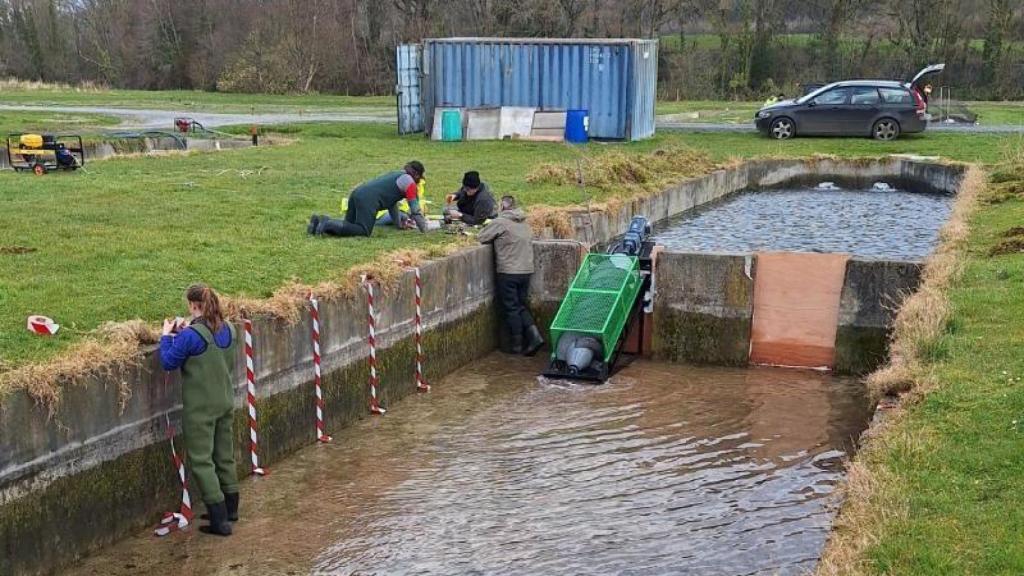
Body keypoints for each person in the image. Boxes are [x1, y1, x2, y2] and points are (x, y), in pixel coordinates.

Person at [159, 284, 239, 537]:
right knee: (224, 456)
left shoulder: (191, 336)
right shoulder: (230, 329)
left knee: (202, 461)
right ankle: (231, 509)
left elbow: (168, 361)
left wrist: (166, 336)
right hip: (225, 402)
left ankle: (219, 521)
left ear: (194, 306)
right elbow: (208, 342)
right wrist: (187, 330)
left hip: (201, 410)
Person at [478, 195, 544, 355]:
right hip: (526, 271)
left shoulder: (500, 222)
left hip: (509, 271)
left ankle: (517, 345)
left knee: (511, 308)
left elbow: (482, 237)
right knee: (521, 306)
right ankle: (534, 336)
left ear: (502, 207)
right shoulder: (525, 224)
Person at [308, 161, 428, 237]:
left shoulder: (397, 174)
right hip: (368, 199)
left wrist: (399, 225)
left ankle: (319, 222)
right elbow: (415, 209)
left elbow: (391, 205)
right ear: (416, 175)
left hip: (357, 193)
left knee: (348, 225)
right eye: (420, 178)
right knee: (363, 230)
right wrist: (425, 229)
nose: (419, 181)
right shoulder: (410, 183)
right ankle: (327, 224)